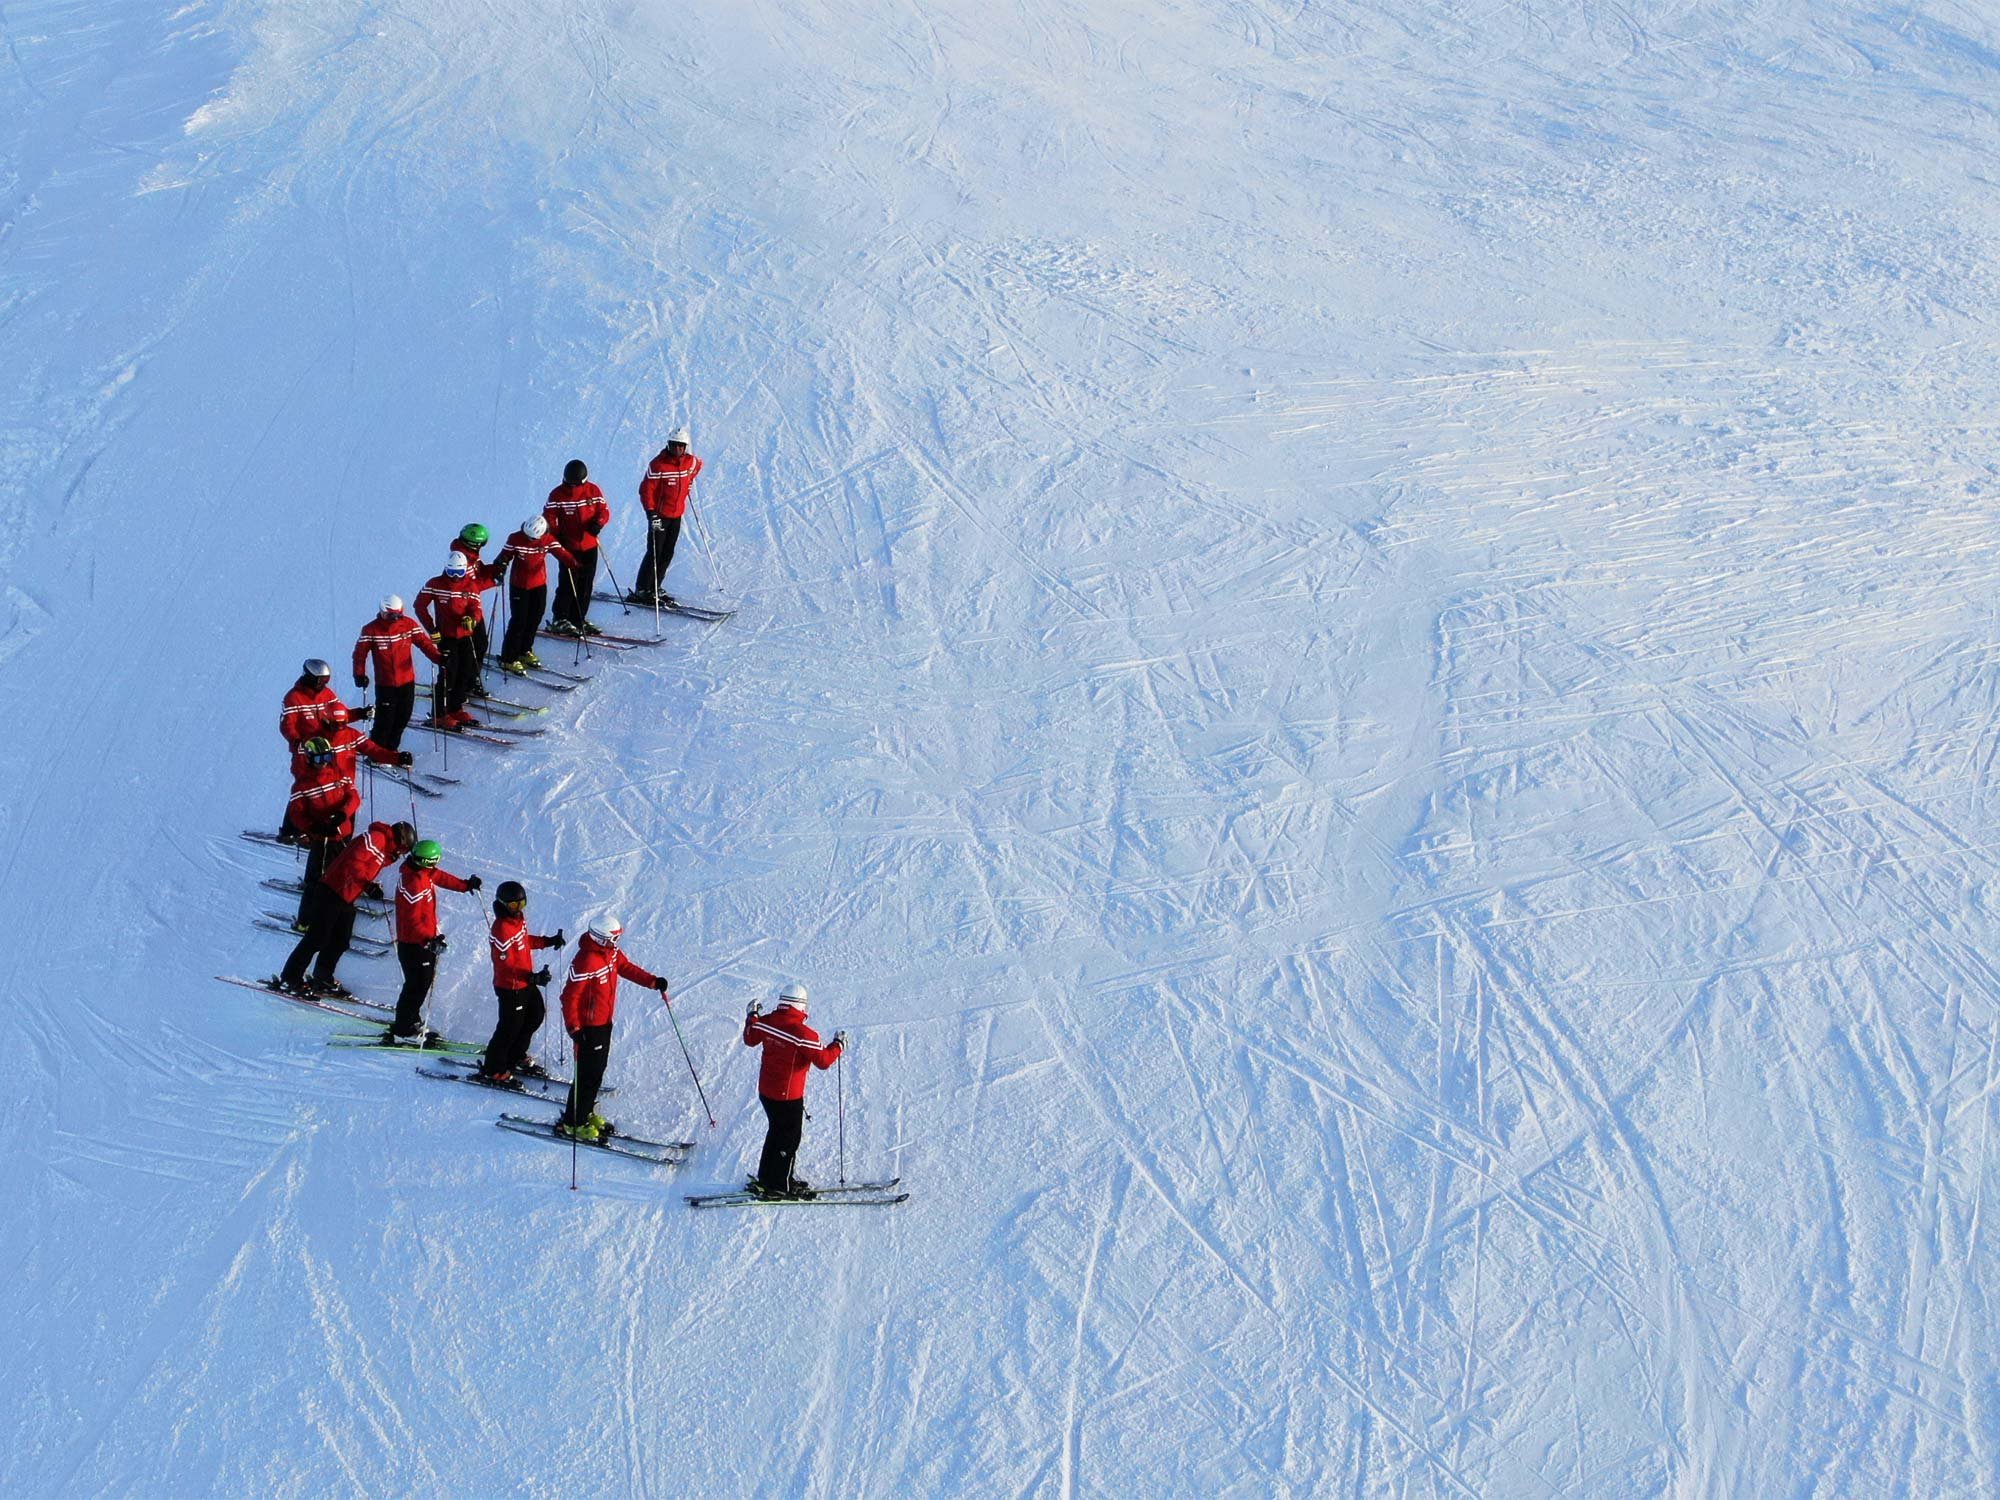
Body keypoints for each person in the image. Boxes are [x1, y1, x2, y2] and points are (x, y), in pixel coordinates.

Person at [556, 915, 670, 1141]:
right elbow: (569, 997)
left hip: (604, 1023)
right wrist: (575, 1029)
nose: (616, 942)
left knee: (596, 1072)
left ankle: (585, 1113)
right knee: (586, 1075)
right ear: (601, 938)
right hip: (587, 1028)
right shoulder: (586, 961)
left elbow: (626, 967)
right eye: (613, 938)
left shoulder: (611, 954)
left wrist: (652, 981)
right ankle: (572, 1123)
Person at [278, 819, 416, 997]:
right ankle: (290, 977)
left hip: (345, 895)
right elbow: (354, 862)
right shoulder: (376, 838)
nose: (401, 853)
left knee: (340, 940)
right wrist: (367, 886)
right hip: (332, 890)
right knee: (316, 938)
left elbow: (373, 862)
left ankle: (322, 977)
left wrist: (388, 862)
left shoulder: (383, 845)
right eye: (403, 850)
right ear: (401, 840)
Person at [742, 983, 844, 1198]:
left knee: (776, 1133)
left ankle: (769, 1178)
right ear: (801, 1006)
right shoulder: (803, 1034)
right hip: (787, 1096)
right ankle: (779, 1186)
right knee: (788, 1139)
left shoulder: (767, 1022)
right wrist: (838, 1045)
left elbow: (751, 1037)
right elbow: (824, 1061)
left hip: (766, 1091)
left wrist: (752, 1015)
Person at [388, 838, 482, 1043]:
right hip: (414, 943)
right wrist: (428, 940)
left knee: (422, 982)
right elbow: (412, 920)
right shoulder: (414, 883)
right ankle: (403, 1028)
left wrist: (465, 885)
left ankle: (411, 1020)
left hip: (422, 940)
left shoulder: (421, 871)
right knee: (417, 984)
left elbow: (440, 877)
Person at [480, 881, 564, 1082]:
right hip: (510, 987)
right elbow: (505, 965)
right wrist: (531, 977)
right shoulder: (501, 929)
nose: (518, 909)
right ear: (503, 904)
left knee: (535, 1016)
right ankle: (493, 1069)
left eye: (522, 904)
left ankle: (515, 1055)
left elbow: (523, 941)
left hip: (525, 982)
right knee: (509, 1028)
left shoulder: (517, 921)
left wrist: (548, 941)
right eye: (514, 905)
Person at [353, 595, 442, 752]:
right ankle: (376, 751)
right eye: (391, 615)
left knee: (403, 717)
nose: (395, 619)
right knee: (385, 719)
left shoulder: (408, 625)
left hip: (406, 681)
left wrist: (439, 658)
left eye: (398, 615)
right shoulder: (371, 630)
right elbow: (360, 654)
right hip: (385, 683)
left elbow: (423, 642)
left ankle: (391, 749)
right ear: (382, 612)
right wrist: (359, 674)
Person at [493, 515, 575, 672]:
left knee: (535, 618)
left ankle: (524, 650)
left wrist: (573, 563)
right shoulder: (516, 538)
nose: (530, 540)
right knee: (519, 621)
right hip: (519, 585)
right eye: (528, 536)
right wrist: (501, 566)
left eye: (533, 538)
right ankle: (508, 658)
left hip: (538, 584)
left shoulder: (548, 539)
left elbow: (562, 553)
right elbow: (504, 556)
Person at [415, 552, 487, 727]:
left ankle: (455, 708)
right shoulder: (435, 584)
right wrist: (431, 629)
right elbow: (420, 605)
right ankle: (438, 713)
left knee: (466, 670)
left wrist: (472, 619)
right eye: (451, 572)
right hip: (446, 637)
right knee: (449, 673)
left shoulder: (470, 586)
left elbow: (476, 608)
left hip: (464, 635)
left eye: (459, 573)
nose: (455, 577)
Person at [630, 426, 701, 603]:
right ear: (669, 444)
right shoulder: (658, 464)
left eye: (681, 446)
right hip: (659, 516)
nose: (677, 449)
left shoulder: (690, 462)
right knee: (655, 552)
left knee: (668, 553)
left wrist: (688, 486)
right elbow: (646, 490)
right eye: (674, 445)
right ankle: (642, 589)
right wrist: (651, 513)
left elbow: (696, 469)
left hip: (676, 515)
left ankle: (655, 586)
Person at [544, 459, 610, 636]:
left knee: (586, 584)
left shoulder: (593, 491)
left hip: (589, 545)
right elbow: (549, 518)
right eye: (568, 483)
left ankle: (578, 618)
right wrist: (557, 536)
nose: (571, 487)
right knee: (567, 583)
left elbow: (603, 511)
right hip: (569, 547)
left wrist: (598, 523)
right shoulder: (557, 495)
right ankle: (560, 618)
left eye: (575, 484)